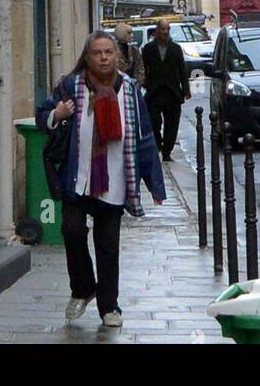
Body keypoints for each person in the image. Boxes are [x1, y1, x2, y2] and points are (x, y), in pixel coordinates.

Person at [36, 31, 165, 328]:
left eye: (109, 52)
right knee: (72, 231)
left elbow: (145, 137)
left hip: (115, 178)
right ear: (87, 56)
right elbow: (42, 116)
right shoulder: (71, 86)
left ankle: (110, 306)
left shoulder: (130, 89)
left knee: (108, 246)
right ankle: (83, 289)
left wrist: (154, 184)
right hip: (77, 178)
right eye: (98, 53)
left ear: (116, 56)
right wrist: (57, 113)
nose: (104, 57)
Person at [142, 18, 189, 161]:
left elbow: (182, 69)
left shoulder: (175, 48)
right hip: (154, 92)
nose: (165, 32)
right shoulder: (149, 49)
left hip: (172, 92)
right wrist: (145, 83)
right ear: (157, 31)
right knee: (154, 122)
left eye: (167, 29)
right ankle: (157, 144)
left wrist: (186, 89)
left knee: (172, 124)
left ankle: (167, 151)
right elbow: (143, 68)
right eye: (163, 29)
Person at [113, 22, 145, 86]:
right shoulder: (112, 51)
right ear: (121, 34)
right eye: (129, 33)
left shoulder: (134, 50)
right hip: (117, 87)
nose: (132, 36)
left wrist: (138, 84)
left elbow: (140, 68)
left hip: (133, 87)